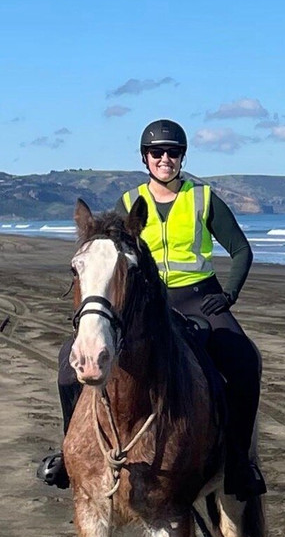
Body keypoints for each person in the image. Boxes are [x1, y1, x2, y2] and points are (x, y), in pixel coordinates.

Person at [37, 119, 266, 501]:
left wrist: (228, 294)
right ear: (145, 158)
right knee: (67, 365)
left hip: (198, 297)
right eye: (157, 152)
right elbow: (107, 253)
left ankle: (240, 462)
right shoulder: (129, 202)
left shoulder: (203, 198)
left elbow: (241, 250)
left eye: (172, 152)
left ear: (182, 157)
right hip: (144, 302)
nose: (165, 159)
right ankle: (68, 454)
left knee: (243, 360)